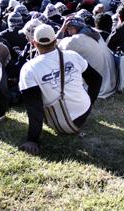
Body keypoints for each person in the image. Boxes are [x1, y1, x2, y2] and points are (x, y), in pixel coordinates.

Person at [18, 24, 102, 155]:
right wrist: (90, 101)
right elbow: (97, 79)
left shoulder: (29, 68)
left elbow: (35, 108)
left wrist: (32, 140)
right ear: (55, 40)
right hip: (84, 111)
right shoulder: (73, 55)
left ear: (34, 43)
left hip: (62, 123)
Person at [58, 16, 116, 98]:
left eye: (69, 28)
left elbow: (54, 48)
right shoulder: (94, 32)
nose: (67, 30)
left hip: (100, 85)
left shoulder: (74, 40)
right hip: (111, 80)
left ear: (75, 27)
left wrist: (62, 29)